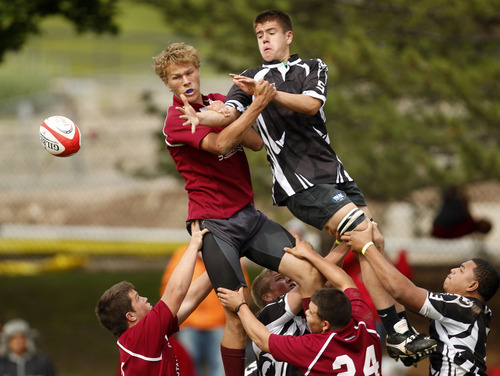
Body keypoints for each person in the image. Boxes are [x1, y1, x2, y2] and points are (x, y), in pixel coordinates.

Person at [180, 9, 435, 364]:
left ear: (289, 36)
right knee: (361, 234)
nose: (264, 40)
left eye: (271, 32)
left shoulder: (312, 67)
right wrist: (198, 115)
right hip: (300, 183)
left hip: (334, 174)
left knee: (372, 240)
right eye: (259, 35)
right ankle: (393, 330)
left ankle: (394, 331)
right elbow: (226, 114)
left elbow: (311, 104)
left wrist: (268, 96)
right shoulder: (251, 78)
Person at [152, 42, 324, 376]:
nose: (186, 79)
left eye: (189, 71)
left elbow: (256, 143)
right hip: (215, 226)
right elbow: (221, 145)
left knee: (308, 273)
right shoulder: (175, 120)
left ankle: (318, 355)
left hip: (249, 217)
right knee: (235, 310)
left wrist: (234, 111)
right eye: (176, 77)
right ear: (168, 83)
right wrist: (255, 106)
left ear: (197, 70)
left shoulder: (219, 103)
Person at [342, 222, 500, 375]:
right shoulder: (473, 311)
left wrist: (367, 248)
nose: (453, 270)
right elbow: (397, 296)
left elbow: (402, 292)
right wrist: (378, 250)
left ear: (472, 285)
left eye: (461, 270)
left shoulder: (463, 306)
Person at [218, 238, 383, 375]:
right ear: (268, 297)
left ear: (325, 324)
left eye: (310, 312)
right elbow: (329, 279)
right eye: (280, 278)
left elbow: (317, 278)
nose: (290, 279)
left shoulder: (316, 345)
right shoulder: (365, 326)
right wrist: (345, 241)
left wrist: (240, 306)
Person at [95, 221, 212, 376]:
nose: (144, 298)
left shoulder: (147, 337)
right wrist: (193, 245)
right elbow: (176, 292)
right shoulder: (140, 337)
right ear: (130, 316)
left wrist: (222, 264)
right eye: (137, 298)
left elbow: (189, 299)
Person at [160, 245, 250, 376]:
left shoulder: (228, 253)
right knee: (188, 367)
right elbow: (169, 288)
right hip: (190, 324)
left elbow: (243, 290)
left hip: (220, 324)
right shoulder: (182, 255)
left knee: (222, 368)